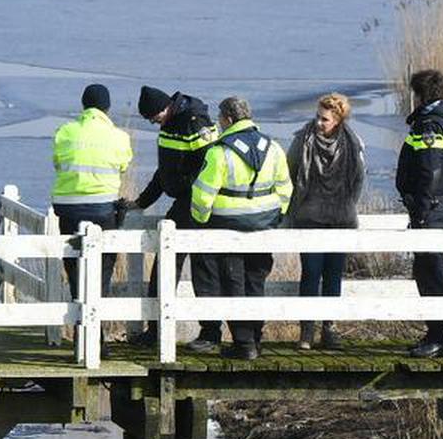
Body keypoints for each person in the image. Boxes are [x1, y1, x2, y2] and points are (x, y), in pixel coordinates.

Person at [190, 96, 293, 360]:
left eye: (220, 118)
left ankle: (243, 343)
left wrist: (200, 221)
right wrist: (276, 215)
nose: (218, 123)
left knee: (233, 282)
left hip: (228, 227)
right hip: (263, 226)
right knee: (255, 280)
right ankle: (255, 339)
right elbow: (285, 188)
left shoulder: (219, 151)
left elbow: (203, 195)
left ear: (228, 119)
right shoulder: (273, 147)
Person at [134, 85, 223, 348]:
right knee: (165, 264)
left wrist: (191, 193)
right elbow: (164, 172)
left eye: (153, 117)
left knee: (204, 267)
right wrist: (142, 201)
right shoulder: (170, 123)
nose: (153, 122)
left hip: (198, 203)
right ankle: (156, 329)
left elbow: (211, 165)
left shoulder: (196, 123)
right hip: (182, 202)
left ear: (166, 108)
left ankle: (211, 333)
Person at [395, 69, 443, 358]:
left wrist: (422, 208)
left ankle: (440, 337)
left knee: (430, 273)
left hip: (431, 209)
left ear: (420, 95)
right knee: (429, 271)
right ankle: (436, 332)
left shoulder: (430, 124)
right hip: (439, 205)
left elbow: (430, 168)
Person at [285, 93, 366, 350]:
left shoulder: (353, 143)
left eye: (325, 119)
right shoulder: (303, 139)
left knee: (333, 275)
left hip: (340, 218)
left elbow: (358, 179)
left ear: (338, 119)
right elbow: (291, 169)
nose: (319, 123)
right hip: (309, 216)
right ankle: (306, 331)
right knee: (311, 272)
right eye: (318, 117)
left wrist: (347, 205)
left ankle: (330, 329)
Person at [51, 83, 134, 297]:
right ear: (107, 108)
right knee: (104, 265)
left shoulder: (64, 132)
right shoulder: (119, 137)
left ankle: (79, 312)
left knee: (73, 261)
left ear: (83, 105)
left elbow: (58, 163)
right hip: (103, 208)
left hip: (68, 208)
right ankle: (98, 318)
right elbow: (124, 166)